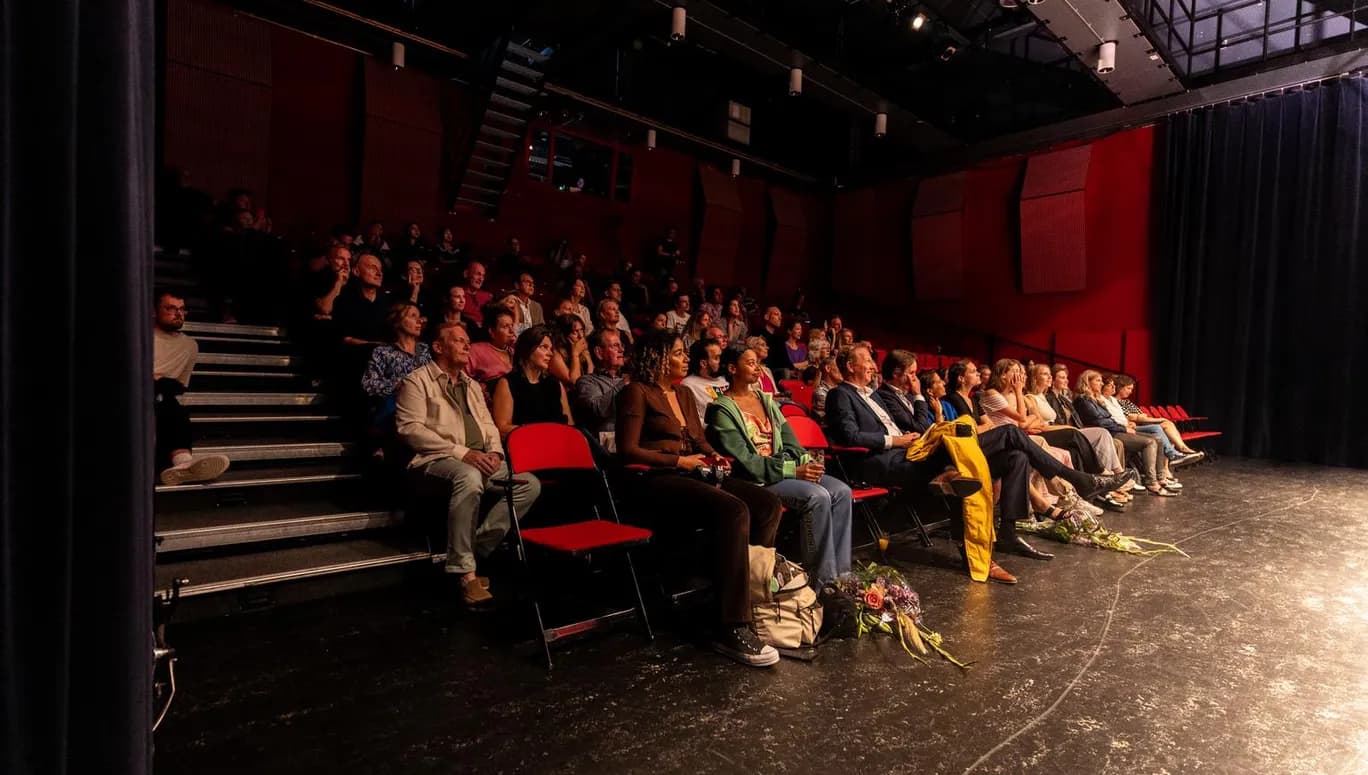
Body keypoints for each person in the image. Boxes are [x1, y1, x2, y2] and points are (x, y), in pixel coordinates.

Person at [833, 352, 1134, 566]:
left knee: (1015, 456)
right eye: (867, 361)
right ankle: (1081, 480)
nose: (873, 366)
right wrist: (893, 439)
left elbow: (920, 426)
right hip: (893, 461)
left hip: (920, 450)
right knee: (1012, 435)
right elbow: (849, 436)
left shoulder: (871, 396)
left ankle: (1009, 533)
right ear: (849, 366)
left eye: (873, 360)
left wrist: (918, 402)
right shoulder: (841, 395)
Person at [616, 331, 783, 667]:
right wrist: (679, 461)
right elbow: (627, 450)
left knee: (767, 504)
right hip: (656, 479)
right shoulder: (637, 392)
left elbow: (699, 440)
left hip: (694, 473)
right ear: (658, 358)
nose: (685, 358)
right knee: (734, 510)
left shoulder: (684, 393)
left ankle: (746, 595)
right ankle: (731, 625)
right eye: (678, 353)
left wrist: (714, 456)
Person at [396, 322, 541, 608]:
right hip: (435, 460)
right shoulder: (417, 381)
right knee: (469, 477)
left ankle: (474, 547)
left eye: (467, 340)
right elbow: (409, 429)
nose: (466, 345)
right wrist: (462, 453)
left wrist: (496, 454)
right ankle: (465, 572)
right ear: (438, 347)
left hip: (477, 459)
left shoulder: (472, 384)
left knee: (529, 484)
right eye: (459, 340)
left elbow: (488, 426)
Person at [707, 346, 853, 585]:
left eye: (758, 363)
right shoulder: (721, 409)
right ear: (732, 369)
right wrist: (792, 470)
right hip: (758, 480)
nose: (758, 368)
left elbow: (790, 441)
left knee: (841, 492)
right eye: (751, 363)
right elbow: (747, 461)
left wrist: (805, 463)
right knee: (817, 497)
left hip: (786, 470)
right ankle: (822, 581)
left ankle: (843, 577)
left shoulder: (766, 401)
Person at [153, 290, 231, 485]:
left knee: (169, 402)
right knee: (168, 403)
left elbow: (180, 385)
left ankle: (180, 465)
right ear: (155, 311)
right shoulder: (143, 335)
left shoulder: (190, 345)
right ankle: (182, 462)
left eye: (182, 309)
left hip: (162, 395)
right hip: (136, 390)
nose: (178, 313)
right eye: (170, 308)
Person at [1074, 370, 1176, 496]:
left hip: (1113, 429)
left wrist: (1123, 426)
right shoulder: (1083, 400)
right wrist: (1123, 428)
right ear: (1087, 382)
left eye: (1101, 381)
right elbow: (1099, 422)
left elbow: (1108, 419)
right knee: (1149, 442)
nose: (1101, 384)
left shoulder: (1095, 400)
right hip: (1107, 433)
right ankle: (1151, 481)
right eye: (1098, 381)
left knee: (1157, 439)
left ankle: (1161, 477)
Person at [361, 302, 433, 443]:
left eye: (420, 317)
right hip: (398, 407)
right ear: (397, 322)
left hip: (427, 405)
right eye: (413, 316)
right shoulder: (383, 352)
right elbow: (369, 384)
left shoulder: (426, 351)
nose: (419, 321)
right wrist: (398, 385)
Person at [492, 325, 573, 437]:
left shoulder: (554, 383)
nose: (550, 353)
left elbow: (569, 423)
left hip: (558, 441)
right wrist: (540, 432)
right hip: (528, 444)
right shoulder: (508, 383)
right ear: (527, 349)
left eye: (550, 349)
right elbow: (503, 428)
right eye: (544, 347)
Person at [1113, 375, 1204, 464]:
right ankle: (1178, 452)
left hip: (1142, 424)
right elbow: (1133, 417)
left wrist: (1140, 417)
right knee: (1163, 426)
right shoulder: (1114, 402)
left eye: (1131, 389)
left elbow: (1142, 415)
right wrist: (1159, 419)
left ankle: (1174, 460)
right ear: (1120, 387)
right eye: (1128, 388)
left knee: (1168, 427)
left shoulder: (1127, 402)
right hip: (1132, 428)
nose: (1131, 392)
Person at [570, 328, 627, 439]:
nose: (621, 350)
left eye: (621, 345)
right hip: (607, 445)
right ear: (599, 352)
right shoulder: (587, 381)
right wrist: (624, 384)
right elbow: (598, 409)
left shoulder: (625, 380)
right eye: (615, 346)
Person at [874, 350, 934, 435]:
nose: (915, 378)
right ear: (896, 373)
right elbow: (921, 428)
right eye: (911, 373)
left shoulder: (908, 395)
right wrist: (918, 395)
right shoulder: (884, 396)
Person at [466, 303, 516, 396]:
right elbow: (461, 379)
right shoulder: (476, 350)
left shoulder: (515, 353)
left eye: (512, 325)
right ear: (492, 332)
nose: (512, 331)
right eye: (505, 326)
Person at [679, 338, 727, 426]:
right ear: (703, 363)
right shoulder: (688, 385)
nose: (721, 361)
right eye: (716, 358)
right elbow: (694, 421)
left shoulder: (725, 378)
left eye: (721, 356)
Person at [548, 313, 592, 388]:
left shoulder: (582, 349)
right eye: (575, 332)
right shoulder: (555, 355)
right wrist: (575, 354)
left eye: (581, 330)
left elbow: (592, 378)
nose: (580, 336)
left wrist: (587, 357)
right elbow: (575, 382)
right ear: (564, 335)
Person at [758, 307, 790, 379]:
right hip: (764, 369)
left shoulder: (779, 338)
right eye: (776, 314)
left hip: (778, 372)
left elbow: (785, 360)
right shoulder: (758, 334)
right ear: (766, 317)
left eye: (780, 316)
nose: (780, 318)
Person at [462, 261, 493, 328]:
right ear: (466, 274)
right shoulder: (459, 294)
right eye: (478, 274)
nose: (481, 279)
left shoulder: (487, 296)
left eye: (483, 276)